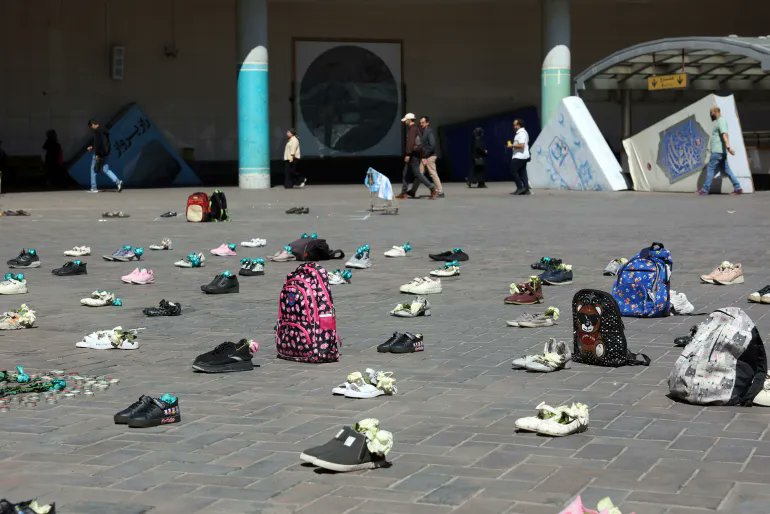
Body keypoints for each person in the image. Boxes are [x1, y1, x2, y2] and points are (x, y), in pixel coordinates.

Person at [697, 106, 743, 195]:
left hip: (717, 152)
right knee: (727, 170)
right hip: (721, 152)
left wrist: (728, 147)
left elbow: (725, 134)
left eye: (711, 112)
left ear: (715, 112)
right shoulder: (718, 121)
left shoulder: (721, 121)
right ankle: (738, 188)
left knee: (710, 169)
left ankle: (705, 190)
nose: (710, 114)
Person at [396, 113, 436, 199]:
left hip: (413, 155)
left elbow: (410, 143)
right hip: (414, 154)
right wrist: (423, 156)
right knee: (405, 173)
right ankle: (403, 193)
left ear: (409, 120)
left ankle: (432, 189)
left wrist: (408, 154)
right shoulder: (414, 128)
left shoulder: (413, 129)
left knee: (417, 174)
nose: (404, 122)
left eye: (406, 120)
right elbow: (419, 144)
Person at [87, 119, 122, 193]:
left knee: (93, 169)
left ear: (93, 125)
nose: (91, 129)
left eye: (90, 127)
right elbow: (104, 142)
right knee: (105, 169)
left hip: (99, 153)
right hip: (106, 153)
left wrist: (97, 154)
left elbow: (98, 143)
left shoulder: (97, 131)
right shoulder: (104, 129)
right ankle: (118, 182)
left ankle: (93, 187)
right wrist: (93, 147)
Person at [419, 116, 443, 198]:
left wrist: (425, 155)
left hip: (430, 157)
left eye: (423, 122)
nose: (421, 124)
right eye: (420, 122)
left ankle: (440, 191)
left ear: (427, 123)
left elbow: (432, 146)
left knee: (433, 174)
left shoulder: (429, 132)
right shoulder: (423, 131)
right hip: (424, 157)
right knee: (419, 173)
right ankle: (413, 191)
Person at [507, 118, 530, 195]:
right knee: (523, 172)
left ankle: (520, 188)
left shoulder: (522, 133)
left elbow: (522, 145)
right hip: (522, 156)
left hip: (519, 156)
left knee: (513, 170)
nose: (514, 126)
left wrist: (511, 145)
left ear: (519, 125)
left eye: (515, 125)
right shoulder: (521, 133)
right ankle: (526, 189)